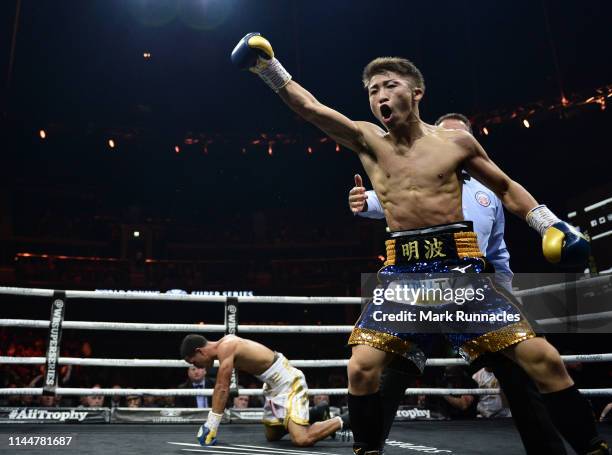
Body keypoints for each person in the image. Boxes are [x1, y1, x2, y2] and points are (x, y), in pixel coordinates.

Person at [231, 33, 607, 455]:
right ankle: (367, 450)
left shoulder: (456, 144)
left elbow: (504, 186)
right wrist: (268, 67)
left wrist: (547, 224)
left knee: (546, 361)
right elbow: (309, 108)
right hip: (404, 274)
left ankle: (591, 448)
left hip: (462, 270)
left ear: (416, 92)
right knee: (361, 369)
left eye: (389, 85)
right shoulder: (367, 141)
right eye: (372, 90)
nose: (380, 95)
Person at [350, 113, 566, 453]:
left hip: (473, 296)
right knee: (393, 372)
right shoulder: (414, 176)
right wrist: (361, 203)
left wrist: (508, 298)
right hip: (418, 293)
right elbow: (380, 199)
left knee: (515, 376)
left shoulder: (489, 193)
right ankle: (369, 446)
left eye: (457, 137)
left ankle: (548, 451)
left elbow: (498, 251)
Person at [180, 334, 349, 447]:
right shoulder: (225, 345)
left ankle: (350, 418)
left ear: (199, 351)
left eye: (194, 361)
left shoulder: (227, 346)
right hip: (273, 385)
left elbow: (222, 387)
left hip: (288, 381)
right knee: (272, 435)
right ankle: (318, 412)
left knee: (301, 439)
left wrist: (211, 425)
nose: (196, 366)